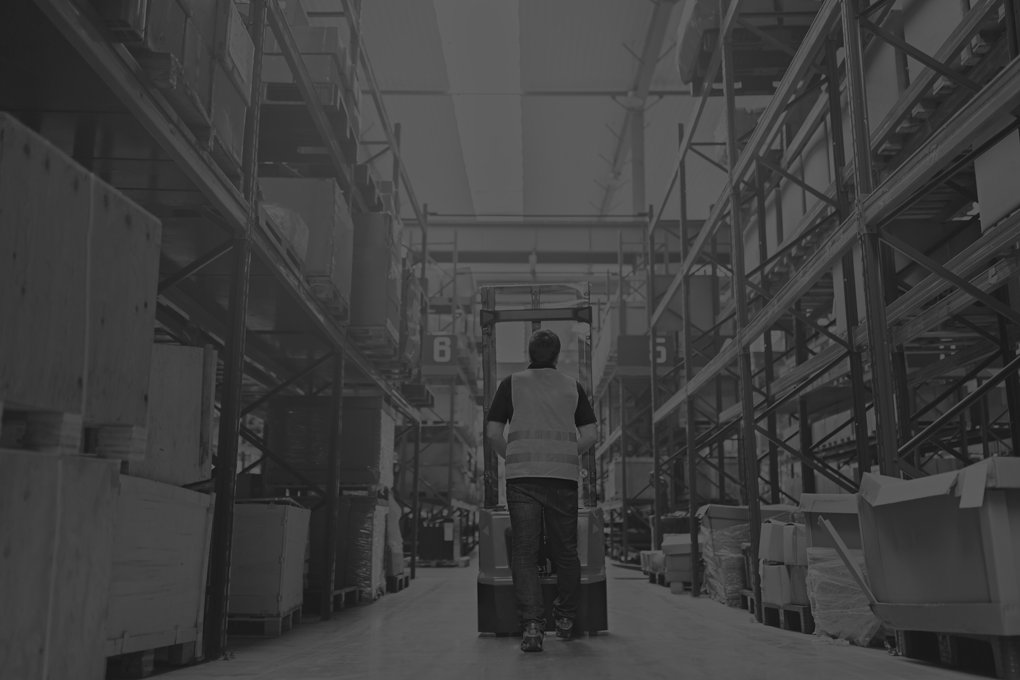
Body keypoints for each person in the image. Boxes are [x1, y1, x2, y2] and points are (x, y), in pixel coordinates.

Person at [485, 329, 598, 653]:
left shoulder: (512, 383)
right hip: (563, 478)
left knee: (524, 551)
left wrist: (517, 457)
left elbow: (493, 432)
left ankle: (533, 626)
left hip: (522, 480)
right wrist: (563, 454)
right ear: (557, 354)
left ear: (529, 352)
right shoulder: (571, 386)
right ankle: (564, 619)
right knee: (565, 551)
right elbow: (590, 434)